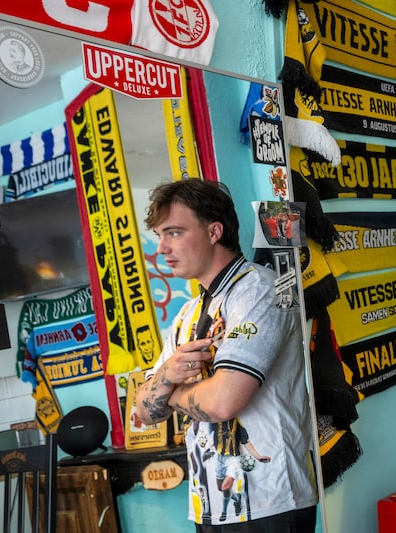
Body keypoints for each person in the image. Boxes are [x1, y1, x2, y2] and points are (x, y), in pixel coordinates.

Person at [134, 179, 318, 532]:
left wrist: (170, 392)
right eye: (159, 235)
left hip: (270, 501)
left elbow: (223, 402)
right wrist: (169, 374)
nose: (162, 248)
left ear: (214, 231)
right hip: (209, 505)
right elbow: (143, 412)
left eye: (174, 233)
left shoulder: (262, 289)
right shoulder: (187, 313)